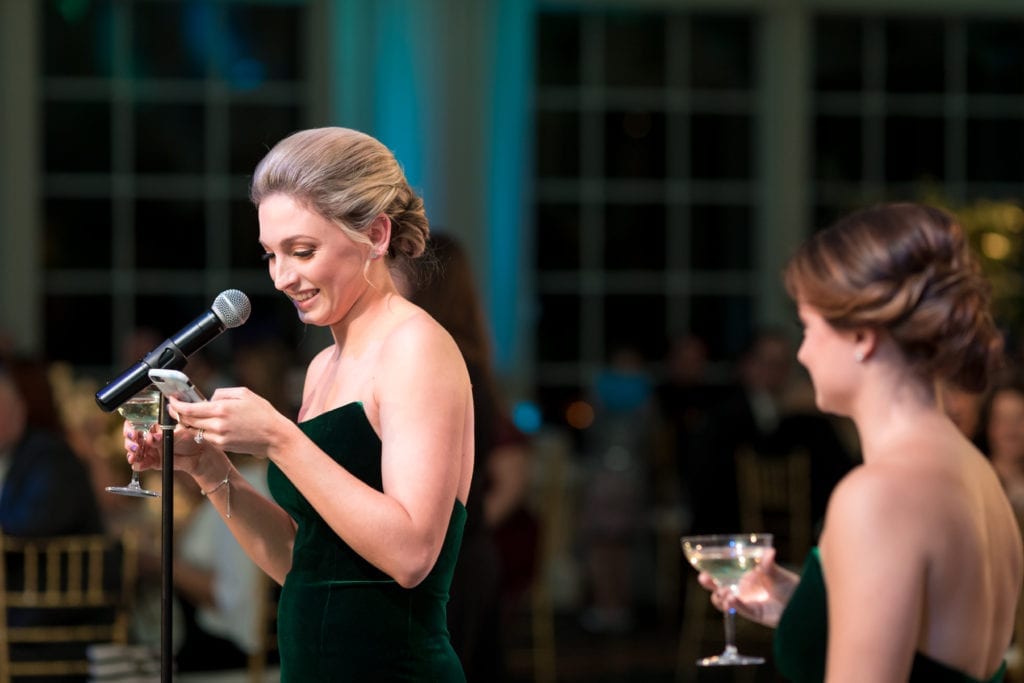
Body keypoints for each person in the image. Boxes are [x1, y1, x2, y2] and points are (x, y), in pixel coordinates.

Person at [124, 127, 474, 681]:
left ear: (376, 234)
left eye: (302, 251)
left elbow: (411, 556)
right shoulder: (322, 367)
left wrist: (279, 439)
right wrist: (207, 467)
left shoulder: (416, 347)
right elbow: (302, 565)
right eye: (271, 255)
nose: (283, 277)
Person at [697, 202, 1022, 682]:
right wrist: (810, 607)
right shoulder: (981, 479)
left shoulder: (878, 496)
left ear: (862, 337)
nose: (802, 354)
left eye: (808, 328)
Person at [402, 232, 533, 681]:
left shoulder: (438, 361)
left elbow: (508, 474)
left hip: (453, 563)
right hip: (468, 554)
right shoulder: (469, 361)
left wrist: (454, 527)